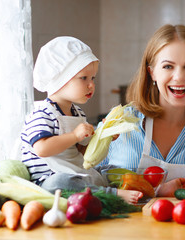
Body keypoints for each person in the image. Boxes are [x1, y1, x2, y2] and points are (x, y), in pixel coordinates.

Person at [99, 24, 185, 197]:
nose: (179, 76)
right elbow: (85, 184)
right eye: (168, 66)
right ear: (152, 72)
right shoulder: (119, 125)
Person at [21, 36, 142, 204]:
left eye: (92, 78)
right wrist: (75, 136)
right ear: (60, 78)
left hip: (74, 170)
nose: (91, 84)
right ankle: (111, 193)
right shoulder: (42, 113)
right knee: (61, 183)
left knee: (109, 170)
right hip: (48, 179)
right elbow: (42, 149)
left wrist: (103, 137)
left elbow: (82, 154)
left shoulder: (77, 113)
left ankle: (149, 187)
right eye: (84, 78)